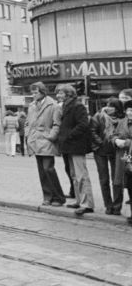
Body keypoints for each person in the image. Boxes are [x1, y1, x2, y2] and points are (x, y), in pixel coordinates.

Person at [56, 85, 95, 216]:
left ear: (68, 94)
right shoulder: (65, 106)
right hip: (69, 146)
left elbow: (83, 124)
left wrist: (69, 135)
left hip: (76, 145)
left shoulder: (78, 106)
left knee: (81, 175)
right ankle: (79, 201)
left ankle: (87, 204)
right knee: (74, 175)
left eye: (60, 93)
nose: (58, 95)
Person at [25, 82, 66, 207]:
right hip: (35, 141)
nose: (33, 95)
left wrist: (51, 136)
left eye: (35, 92)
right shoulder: (31, 106)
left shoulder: (53, 105)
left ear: (43, 92)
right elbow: (27, 122)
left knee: (48, 168)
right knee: (42, 171)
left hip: (46, 141)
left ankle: (58, 197)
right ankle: (47, 197)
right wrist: (28, 134)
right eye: (32, 92)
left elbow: (57, 124)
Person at [91, 98, 124, 215]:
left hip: (116, 151)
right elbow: (92, 131)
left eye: (112, 106)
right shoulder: (99, 116)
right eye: (108, 105)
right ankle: (108, 206)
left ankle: (117, 206)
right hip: (100, 151)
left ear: (118, 109)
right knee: (104, 179)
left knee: (117, 180)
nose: (109, 108)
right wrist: (101, 143)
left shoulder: (122, 119)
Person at [111, 90, 132, 224]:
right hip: (122, 157)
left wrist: (127, 142)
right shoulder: (122, 122)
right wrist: (115, 141)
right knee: (127, 184)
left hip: (130, 156)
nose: (129, 113)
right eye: (128, 110)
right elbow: (113, 134)